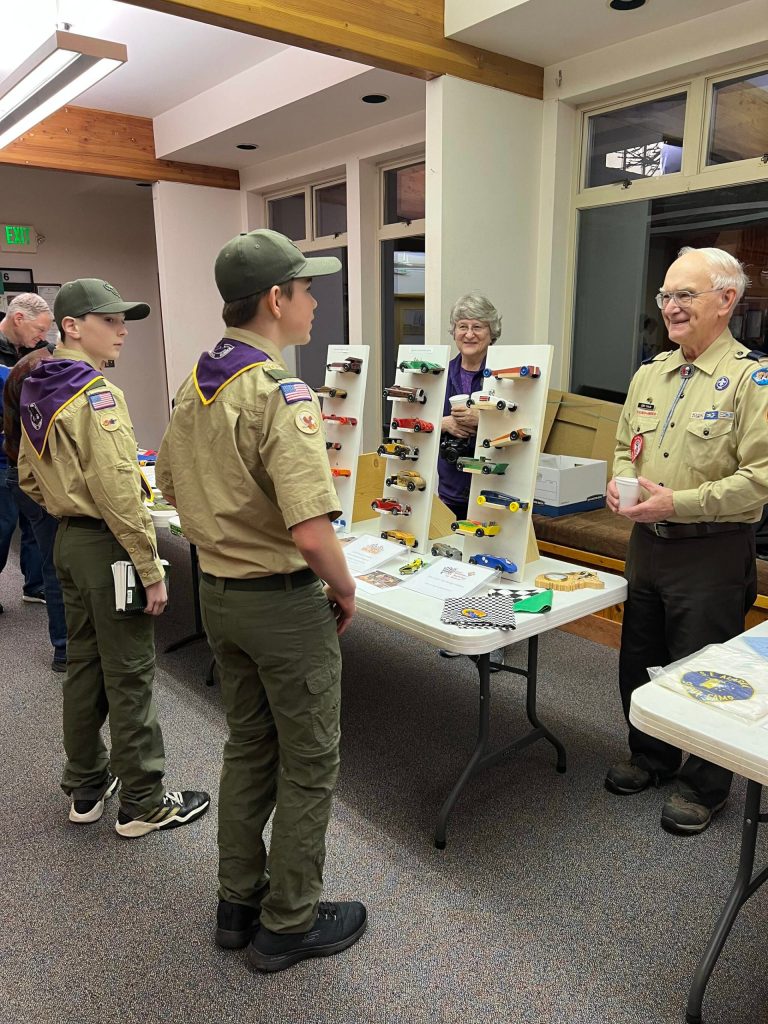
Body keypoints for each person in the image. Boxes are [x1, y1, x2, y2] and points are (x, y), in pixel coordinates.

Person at [155, 229, 366, 971]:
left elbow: (171, 492)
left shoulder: (196, 382)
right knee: (309, 762)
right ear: (276, 300)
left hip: (217, 594)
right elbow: (311, 534)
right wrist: (345, 590)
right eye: (306, 290)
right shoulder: (281, 392)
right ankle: (289, 922)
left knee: (248, 746)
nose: (313, 303)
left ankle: (236, 904)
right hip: (281, 604)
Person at [17, 278, 209, 836]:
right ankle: (144, 802)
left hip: (68, 543)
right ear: (73, 327)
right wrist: (149, 568)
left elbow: (28, 475)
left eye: (125, 319)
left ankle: (84, 786)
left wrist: (64, 501)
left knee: (83, 667)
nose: (123, 329)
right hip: (107, 544)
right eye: (110, 319)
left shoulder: (40, 387)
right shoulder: (97, 394)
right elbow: (120, 489)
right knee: (129, 675)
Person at [605, 246, 768, 835]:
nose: (671, 307)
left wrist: (679, 501)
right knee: (639, 659)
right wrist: (620, 483)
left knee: (704, 670)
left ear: (726, 300)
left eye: (685, 295)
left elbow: (759, 482)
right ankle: (651, 756)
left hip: (711, 551)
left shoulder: (753, 381)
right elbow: (626, 445)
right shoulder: (650, 374)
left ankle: (706, 784)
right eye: (665, 296)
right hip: (647, 545)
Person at [4, 345, 68, 670]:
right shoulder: (42, 370)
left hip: (25, 473)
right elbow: (45, 440)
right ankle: (65, 649)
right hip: (37, 477)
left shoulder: (37, 363)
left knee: (47, 554)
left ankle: (66, 644)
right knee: (57, 563)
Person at [0, 293, 53, 605]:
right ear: (18, 319)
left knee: (35, 522)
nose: (43, 337)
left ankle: (35, 585)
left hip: (29, 452)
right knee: (3, 524)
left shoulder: (35, 352)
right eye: (40, 329)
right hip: (3, 454)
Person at [437, 293, 502, 520]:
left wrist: (483, 419)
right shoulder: (440, 374)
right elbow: (416, 421)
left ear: (491, 332)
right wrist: (443, 423)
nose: (469, 334)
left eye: (478, 326)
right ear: (454, 332)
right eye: (462, 326)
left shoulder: (505, 376)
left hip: (493, 487)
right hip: (449, 490)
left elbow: (524, 426)